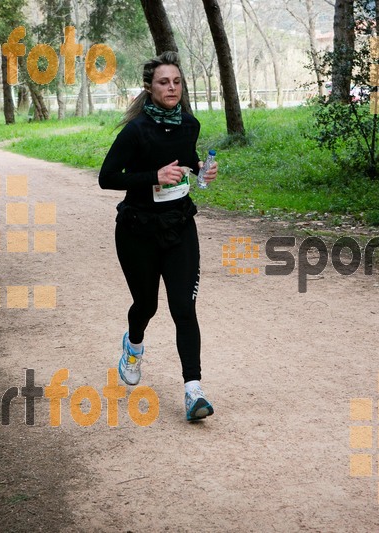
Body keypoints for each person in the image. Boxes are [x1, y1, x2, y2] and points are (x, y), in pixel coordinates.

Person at [98, 51, 218, 422]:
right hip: (137, 229)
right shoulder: (135, 131)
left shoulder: (189, 124)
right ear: (149, 88)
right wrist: (153, 176)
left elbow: (184, 160)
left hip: (179, 225)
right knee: (146, 305)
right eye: (164, 82)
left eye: (177, 82)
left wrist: (199, 171)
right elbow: (107, 178)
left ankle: (193, 391)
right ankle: (133, 346)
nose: (172, 88)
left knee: (184, 308)